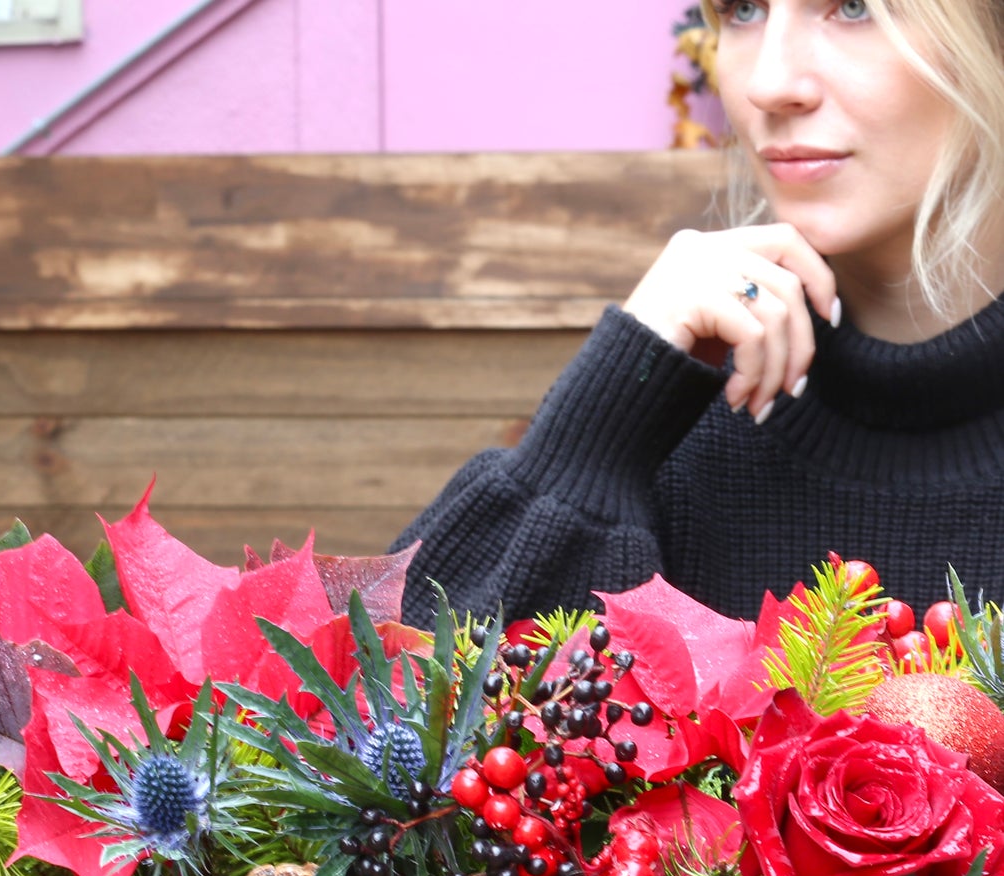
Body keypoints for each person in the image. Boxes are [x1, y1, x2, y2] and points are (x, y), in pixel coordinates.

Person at [394, 0, 1004, 630]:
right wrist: (595, 431)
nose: (767, 85)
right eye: (743, 11)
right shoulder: (675, 429)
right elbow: (371, 713)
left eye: (853, 8)